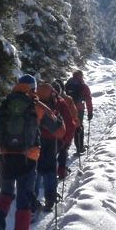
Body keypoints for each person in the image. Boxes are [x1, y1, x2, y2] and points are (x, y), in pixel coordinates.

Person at [0, 74, 65, 230]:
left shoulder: (5, 104)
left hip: (5, 158)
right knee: (24, 203)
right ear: (33, 88)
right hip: (28, 160)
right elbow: (59, 131)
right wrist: (58, 119)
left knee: (5, 194)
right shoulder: (37, 106)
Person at [34, 83, 75, 212]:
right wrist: (66, 141)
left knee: (36, 170)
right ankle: (50, 199)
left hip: (35, 140)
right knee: (50, 169)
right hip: (53, 140)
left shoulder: (34, 102)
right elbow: (69, 122)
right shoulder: (59, 102)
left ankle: (32, 201)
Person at [53, 80, 79, 181]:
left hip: (49, 132)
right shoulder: (66, 100)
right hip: (64, 131)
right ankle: (61, 171)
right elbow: (73, 115)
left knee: (51, 153)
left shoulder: (45, 101)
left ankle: (45, 173)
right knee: (63, 151)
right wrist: (76, 125)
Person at [64, 70, 93, 156]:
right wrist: (90, 112)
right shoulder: (83, 86)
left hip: (67, 109)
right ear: (81, 76)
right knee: (78, 127)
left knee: (67, 127)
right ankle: (80, 148)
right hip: (79, 109)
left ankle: (64, 149)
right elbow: (88, 99)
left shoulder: (67, 84)